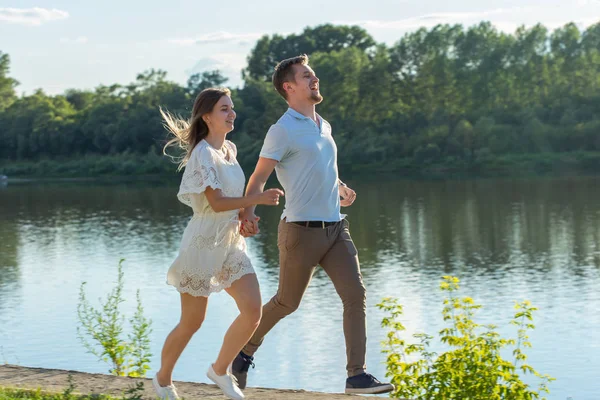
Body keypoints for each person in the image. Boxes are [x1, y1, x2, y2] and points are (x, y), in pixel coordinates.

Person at [232, 55, 394, 395]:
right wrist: (247, 214)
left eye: (314, 75)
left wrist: (341, 188)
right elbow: (258, 178)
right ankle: (244, 349)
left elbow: (323, 170)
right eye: (307, 76)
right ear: (289, 87)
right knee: (287, 302)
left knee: (356, 295)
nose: (314, 79)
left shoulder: (323, 125)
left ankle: (356, 376)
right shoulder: (282, 130)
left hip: (336, 228)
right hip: (300, 233)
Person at [153, 88, 284, 400]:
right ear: (207, 117)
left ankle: (219, 370)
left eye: (232, 108)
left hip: (231, 242)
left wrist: (246, 218)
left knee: (253, 311)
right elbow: (215, 200)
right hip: (202, 243)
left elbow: (231, 204)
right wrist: (258, 199)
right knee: (191, 322)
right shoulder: (201, 153)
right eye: (225, 109)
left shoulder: (229, 150)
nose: (232, 113)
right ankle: (162, 380)